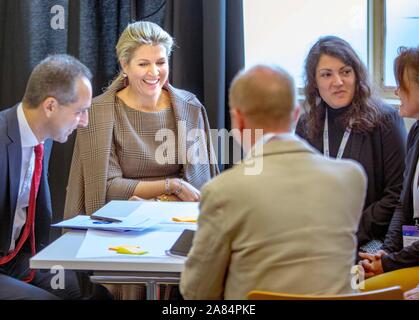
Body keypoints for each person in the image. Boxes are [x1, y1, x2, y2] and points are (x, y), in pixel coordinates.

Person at [180, 64, 367, 300]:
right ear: (297, 113)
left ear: (238, 120)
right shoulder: (351, 177)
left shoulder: (222, 190)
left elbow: (197, 292)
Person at [64, 21, 218, 219]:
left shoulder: (190, 107)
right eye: (144, 64)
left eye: (161, 62)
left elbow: (198, 186)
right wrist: (173, 186)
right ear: (124, 65)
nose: (154, 72)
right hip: (118, 223)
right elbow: (108, 187)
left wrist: (154, 204)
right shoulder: (96, 112)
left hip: (179, 220)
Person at [296, 36, 407, 251]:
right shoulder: (306, 124)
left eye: (345, 72)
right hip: (318, 238)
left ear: (356, 75)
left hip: (371, 238)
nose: (338, 82)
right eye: (327, 75)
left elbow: (397, 194)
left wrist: (347, 232)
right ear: (314, 82)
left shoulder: (386, 119)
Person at [0, 54, 92, 299]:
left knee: (81, 290)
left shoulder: (44, 137)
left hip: (16, 258)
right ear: (50, 106)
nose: (85, 121)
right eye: (80, 111)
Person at [359, 46, 419, 277]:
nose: (396, 92)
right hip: (407, 256)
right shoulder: (415, 132)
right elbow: (403, 204)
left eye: (401, 85)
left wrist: (389, 263)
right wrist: (386, 252)